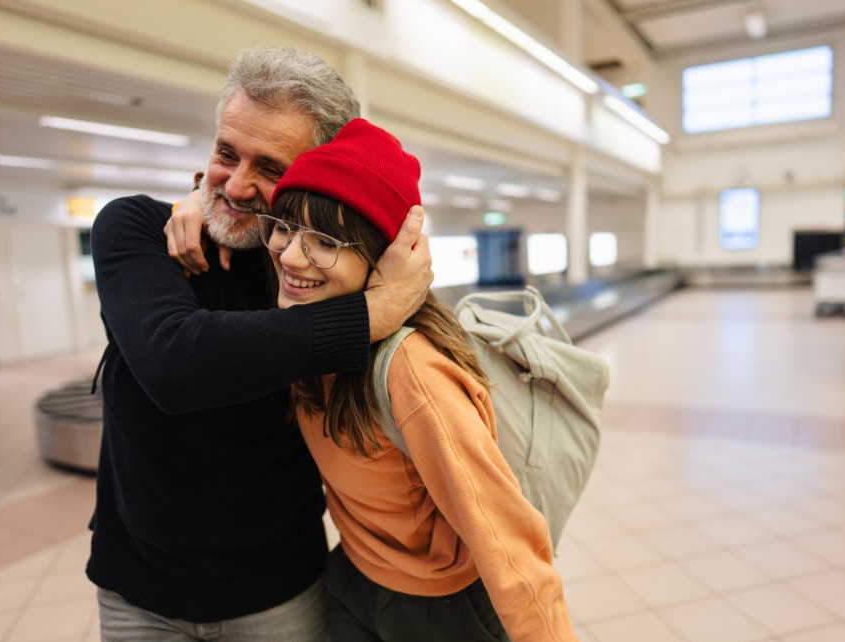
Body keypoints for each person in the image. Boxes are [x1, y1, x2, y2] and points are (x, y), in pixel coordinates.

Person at [86, 47, 432, 641]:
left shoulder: (311, 276)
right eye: (225, 154)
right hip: (139, 592)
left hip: (280, 593)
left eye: (270, 168)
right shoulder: (137, 230)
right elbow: (175, 364)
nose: (238, 185)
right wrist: (371, 313)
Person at [261, 117, 577, 641]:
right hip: (353, 580)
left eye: (324, 240)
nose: (292, 256)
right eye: (287, 228)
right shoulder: (301, 336)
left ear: (383, 259)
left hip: (442, 610)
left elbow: (506, 537)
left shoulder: (409, 368)